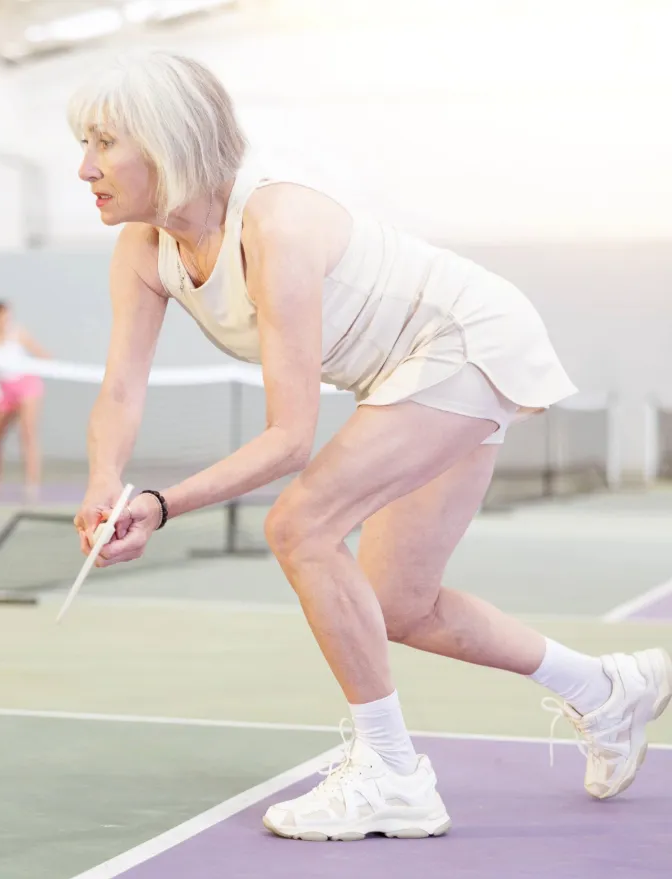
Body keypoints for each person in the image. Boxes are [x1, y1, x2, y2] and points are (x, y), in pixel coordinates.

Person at [68, 52, 671, 842]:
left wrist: (158, 503)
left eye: (104, 143)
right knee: (393, 603)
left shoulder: (272, 225)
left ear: (169, 143)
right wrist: (105, 481)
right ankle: (605, 687)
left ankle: (392, 772)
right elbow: (120, 390)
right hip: (403, 371)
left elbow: (290, 439)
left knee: (298, 524)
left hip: (463, 338)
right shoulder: (144, 252)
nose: (84, 168)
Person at [0, 300, 50, 501]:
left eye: (8, 317)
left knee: (28, 434)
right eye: (1, 317)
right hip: (3, 391)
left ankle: (32, 485)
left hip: (27, 385)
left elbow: (44, 355)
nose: (5, 321)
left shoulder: (18, 334)